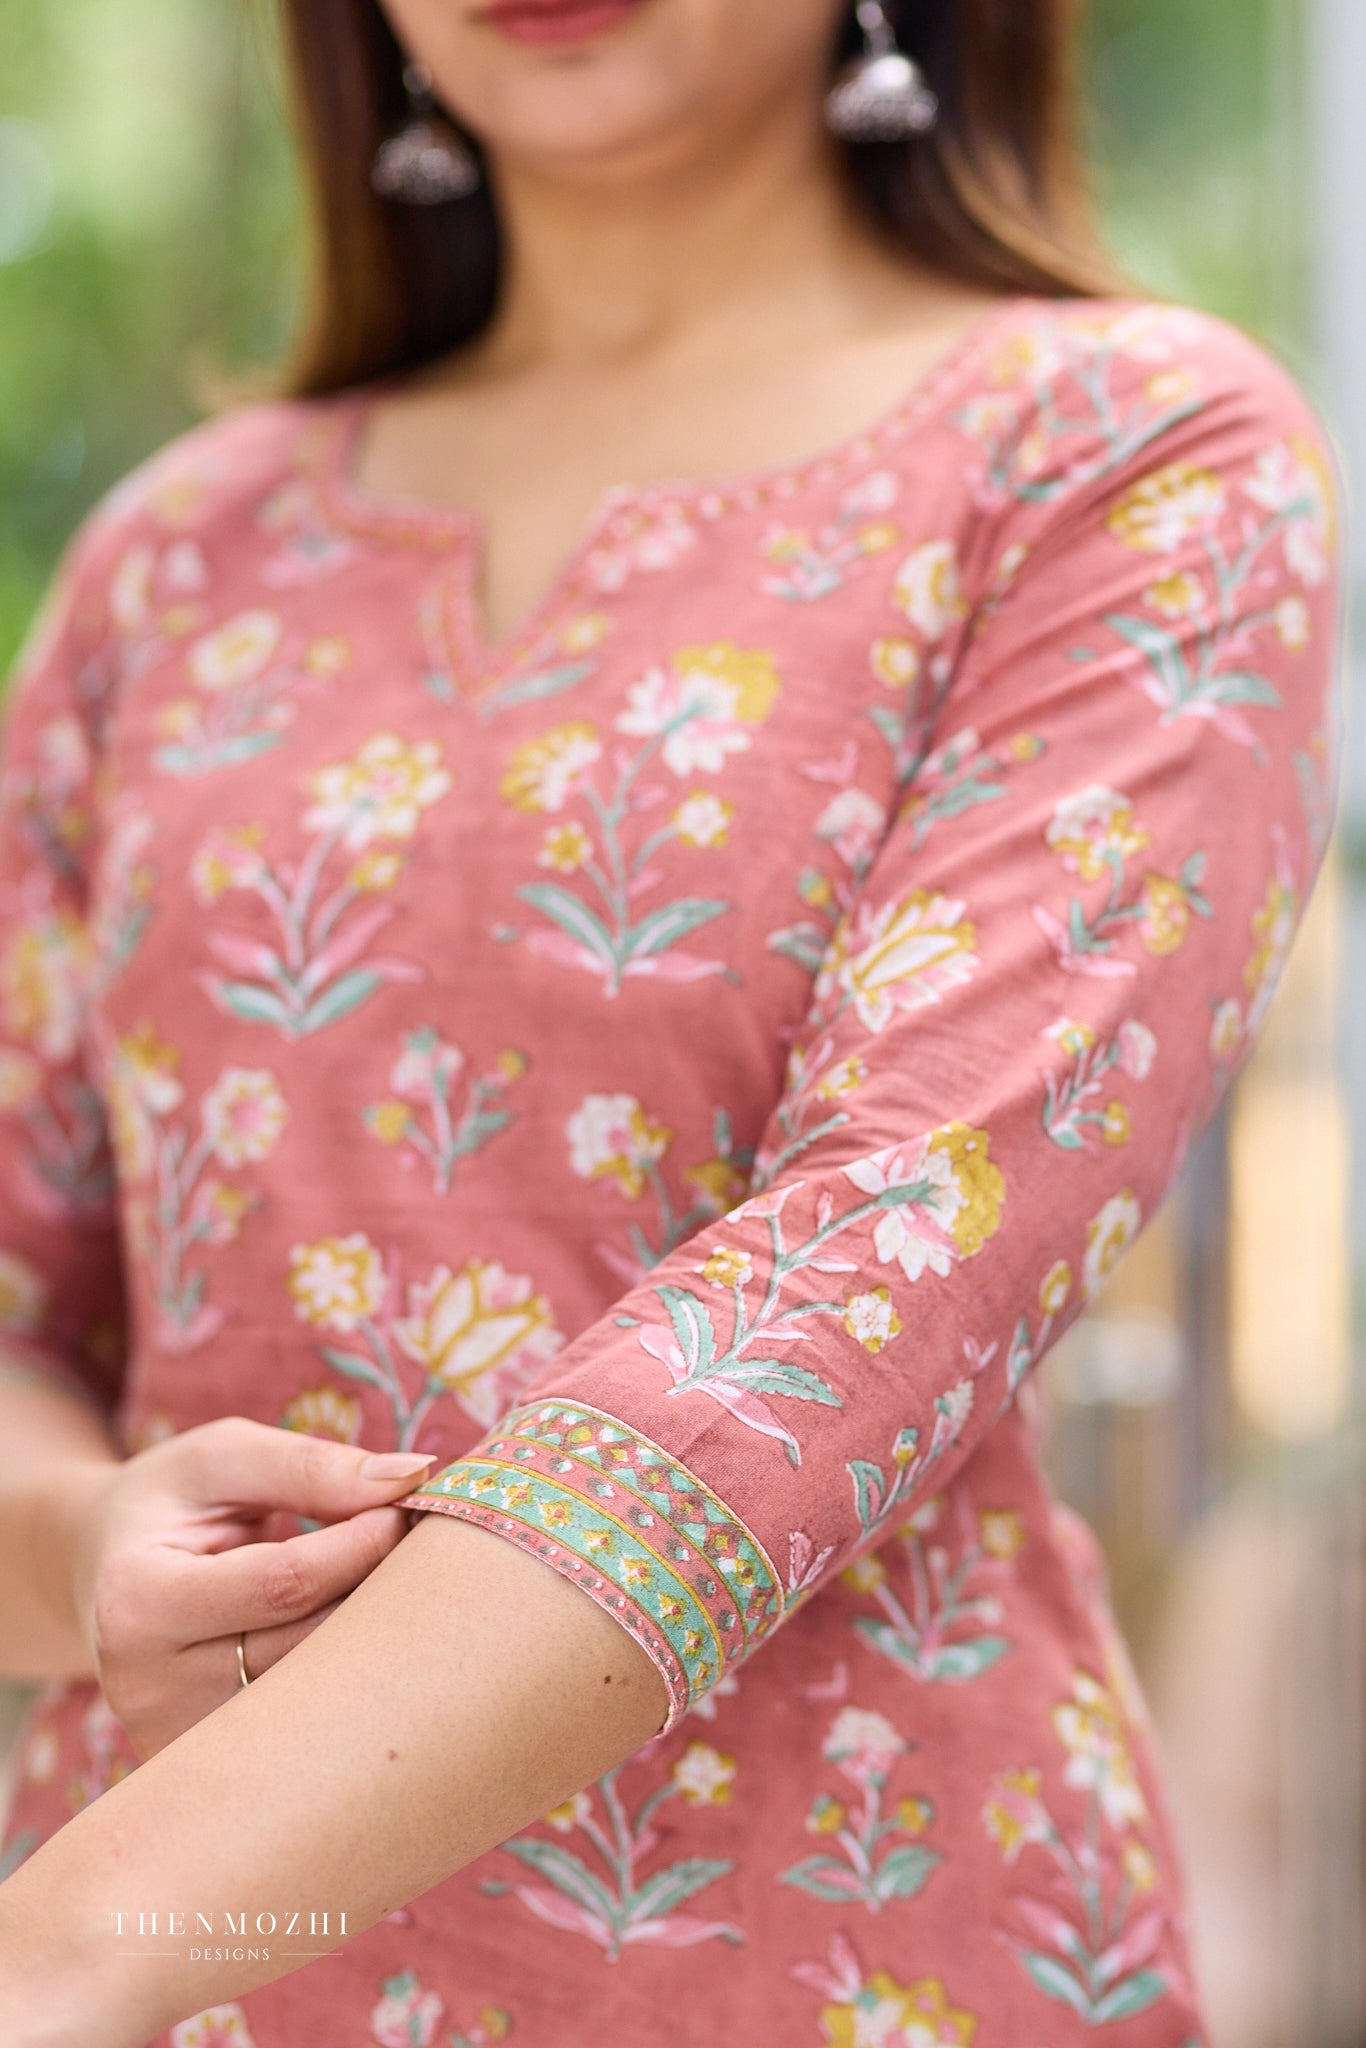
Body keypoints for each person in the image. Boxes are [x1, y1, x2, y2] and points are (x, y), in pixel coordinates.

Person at [0, 0, 1343, 2042]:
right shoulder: (173, 567)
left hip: (839, 1951)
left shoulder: (1121, 457)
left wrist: (69, 1942)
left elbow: (867, 1277)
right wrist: (99, 1535)